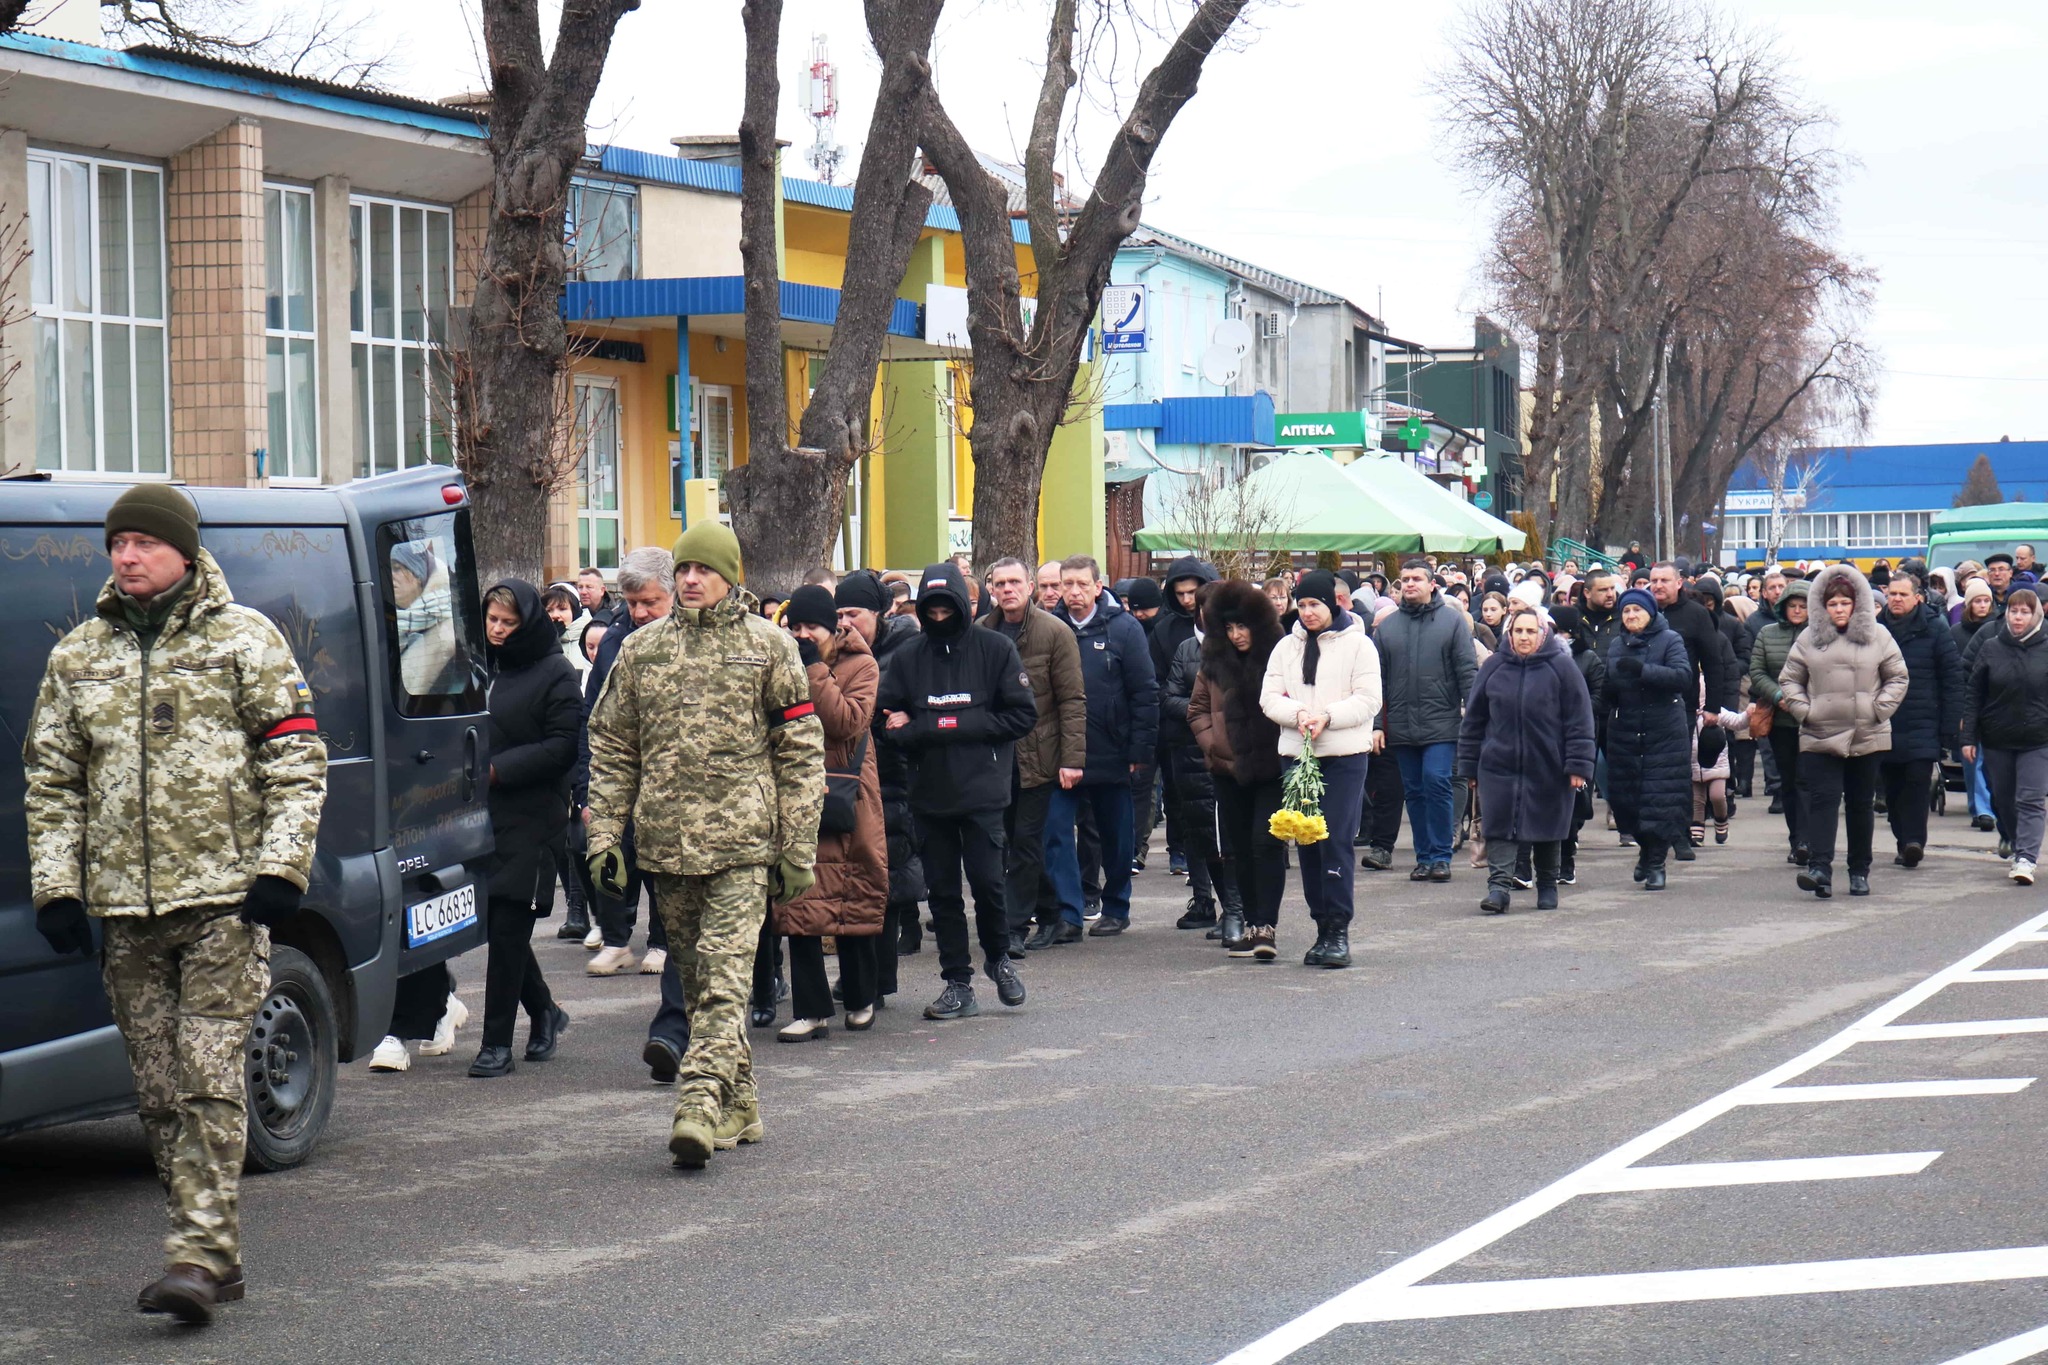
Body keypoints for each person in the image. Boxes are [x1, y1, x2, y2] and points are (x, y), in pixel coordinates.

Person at [23, 484, 328, 1323]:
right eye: (116, 542)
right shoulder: (78, 655)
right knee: (157, 1093)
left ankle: (195, 1255)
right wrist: (58, 884)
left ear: (183, 551)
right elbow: (52, 781)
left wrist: (280, 869)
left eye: (143, 543)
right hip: (125, 912)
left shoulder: (245, 641)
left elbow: (297, 763)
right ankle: (212, 1249)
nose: (126, 556)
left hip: (225, 904)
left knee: (208, 1077)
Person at [586, 521, 825, 1167]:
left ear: (731, 576)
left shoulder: (769, 647)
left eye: (704, 569)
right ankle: (741, 1101)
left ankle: (696, 1103)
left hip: (744, 845)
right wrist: (606, 833)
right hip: (666, 845)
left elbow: (801, 753)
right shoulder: (641, 650)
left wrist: (797, 845)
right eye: (684, 569)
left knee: (724, 982)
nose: (691, 579)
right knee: (696, 985)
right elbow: (611, 746)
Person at [877, 562, 1037, 1019]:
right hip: (929, 794)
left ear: (966, 606)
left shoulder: (995, 648)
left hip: (985, 792)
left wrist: (942, 723)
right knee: (943, 893)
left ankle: (1000, 959)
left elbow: (1022, 715)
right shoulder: (909, 657)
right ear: (922, 608)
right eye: (933, 608)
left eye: (950, 607)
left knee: (988, 884)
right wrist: (915, 731)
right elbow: (885, 721)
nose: (941, 615)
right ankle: (956, 981)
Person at [468, 580, 579, 1077]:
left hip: (532, 815)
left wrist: (498, 769)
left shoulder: (555, 671)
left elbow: (562, 746)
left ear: (527, 623)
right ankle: (546, 1012)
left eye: (507, 623)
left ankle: (495, 1044)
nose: (496, 629)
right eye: (491, 619)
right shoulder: (477, 665)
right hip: (477, 815)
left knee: (509, 926)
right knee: (499, 926)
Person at [773, 585, 886, 1041]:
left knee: (850, 896)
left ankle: (860, 998)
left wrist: (815, 668)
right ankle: (811, 1010)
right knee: (798, 902)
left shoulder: (862, 664)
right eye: (795, 627)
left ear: (833, 627)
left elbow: (845, 722)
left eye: (811, 628)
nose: (802, 635)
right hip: (797, 794)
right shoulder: (779, 662)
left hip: (848, 796)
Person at [1259, 569, 1381, 966]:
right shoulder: (1285, 648)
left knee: (1335, 840)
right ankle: (1320, 927)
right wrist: (1297, 714)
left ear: (1333, 603)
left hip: (1344, 756)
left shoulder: (1359, 646)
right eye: (1303, 605)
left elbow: (1368, 699)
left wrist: (1328, 715)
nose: (1308, 612)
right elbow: (1269, 697)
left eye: (1315, 604)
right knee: (1307, 842)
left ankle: (1338, 929)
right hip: (1297, 755)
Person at [1777, 565, 1908, 899]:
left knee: (1861, 804)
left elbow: (1897, 677)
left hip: (1867, 732)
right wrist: (1806, 711)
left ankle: (1859, 870)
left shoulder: (1879, 636)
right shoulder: (1809, 638)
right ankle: (1820, 868)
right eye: (1832, 604)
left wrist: (1878, 709)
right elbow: (1790, 679)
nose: (1838, 609)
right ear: (1822, 606)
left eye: (1844, 603)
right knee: (1822, 801)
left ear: (1857, 605)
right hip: (1820, 732)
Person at [1045, 555, 1159, 938]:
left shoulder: (1124, 629)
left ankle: (1116, 905)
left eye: (1081, 584)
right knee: (1057, 832)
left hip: (1112, 749)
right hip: (1060, 753)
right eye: (1067, 584)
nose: (1073, 592)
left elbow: (1144, 693)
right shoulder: (1050, 627)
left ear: (1098, 587)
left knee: (1116, 835)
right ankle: (1069, 913)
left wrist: (1139, 751)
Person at [979, 558, 1086, 955]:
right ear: (991, 588)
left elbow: (1073, 700)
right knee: (1009, 842)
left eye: (1014, 582)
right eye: (1000, 583)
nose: (1008, 589)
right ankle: (1051, 910)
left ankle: (1013, 928)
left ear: (1030, 587)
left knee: (1026, 841)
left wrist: (1072, 759)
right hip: (995, 758)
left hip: (1042, 756)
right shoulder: (981, 633)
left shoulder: (1055, 633)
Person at [1456, 608, 1595, 913]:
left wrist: (1578, 765)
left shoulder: (1562, 668)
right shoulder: (1493, 667)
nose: (1524, 637)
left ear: (1542, 634)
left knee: (1547, 826)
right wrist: (1469, 765)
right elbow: (1474, 721)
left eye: (1531, 631)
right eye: (1518, 631)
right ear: (1509, 633)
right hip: (1498, 764)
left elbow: (1579, 720)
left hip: (1549, 765)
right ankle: (1498, 889)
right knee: (1499, 826)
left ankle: (1547, 884)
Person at [582, 548, 679, 975]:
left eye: (649, 602)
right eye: (631, 602)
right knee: (611, 854)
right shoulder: (615, 641)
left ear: (673, 595)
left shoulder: (687, 641)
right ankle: (616, 938)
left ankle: (661, 940)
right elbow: (592, 715)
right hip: (619, 772)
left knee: (662, 861)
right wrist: (581, 783)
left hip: (670, 775)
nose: (639, 612)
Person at [834, 571, 925, 995]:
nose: (846, 622)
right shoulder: (834, 652)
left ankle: (878, 978)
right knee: (849, 877)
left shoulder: (905, 650)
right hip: (846, 776)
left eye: (854, 613)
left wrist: (896, 722)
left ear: (880, 611)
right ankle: (859, 977)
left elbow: (910, 708)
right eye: (839, 614)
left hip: (893, 775)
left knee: (883, 878)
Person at [1193, 580, 1287, 953]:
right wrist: (1214, 744)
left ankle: (1267, 925)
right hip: (1227, 770)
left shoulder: (1280, 658)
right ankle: (1251, 923)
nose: (1236, 635)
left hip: (1273, 767)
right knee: (1238, 850)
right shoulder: (1214, 664)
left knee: (1266, 844)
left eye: (1242, 626)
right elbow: (1197, 709)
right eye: (1229, 628)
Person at [1372, 557, 1476, 882]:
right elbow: (1376, 683)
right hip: (1401, 726)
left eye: (1417, 578)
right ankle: (1424, 857)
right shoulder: (1387, 627)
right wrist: (1377, 724)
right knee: (1414, 791)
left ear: (1432, 583)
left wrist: (1474, 720)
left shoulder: (1452, 621)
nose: (1410, 583)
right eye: (1405, 579)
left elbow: (1467, 672)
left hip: (1442, 723)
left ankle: (1442, 855)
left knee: (1437, 781)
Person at [1601, 587, 1693, 890]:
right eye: (1626, 611)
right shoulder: (1616, 644)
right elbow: (1609, 685)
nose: (1631, 616)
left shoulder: (1670, 640)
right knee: (1628, 802)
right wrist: (1607, 694)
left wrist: (1644, 671)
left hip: (1663, 731)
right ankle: (1644, 850)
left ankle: (1656, 863)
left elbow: (1682, 677)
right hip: (1626, 731)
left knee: (1659, 800)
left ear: (1651, 613)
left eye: (1637, 610)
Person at [1880, 572, 1965, 868]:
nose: (1896, 600)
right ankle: (1903, 841)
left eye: (1903, 594)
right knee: (1892, 790)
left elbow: (1952, 679)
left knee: (1916, 784)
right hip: (1884, 723)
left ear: (1917, 597)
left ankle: (1915, 842)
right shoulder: (1876, 629)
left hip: (1923, 721)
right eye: (1892, 594)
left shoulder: (1935, 628)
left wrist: (1950, 726)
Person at [1963, 588, 2048, 884]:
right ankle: (2015, 842)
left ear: (2036, 614)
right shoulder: (1990, 647)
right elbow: (1974, 694)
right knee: (2003, 799)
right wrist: (1968, 737)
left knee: (2031, 799)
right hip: (1997, 737)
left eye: (2025, 611)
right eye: (2013, 611)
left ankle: (2026, 857)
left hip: (2038, 738)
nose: (2018, 617)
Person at [1151, 557, 1219, 882]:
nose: (1187, 600)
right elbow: (1160, 687)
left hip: (1221, 740)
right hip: (1180, 735)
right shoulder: (1165, 631)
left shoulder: (1226, 628)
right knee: (1181, 806)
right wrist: (1197, 712)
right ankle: (1192, 873)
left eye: (1193, 592)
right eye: (1180, 593)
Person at [1750, 579, 1813, 865]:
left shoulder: (1821, 635)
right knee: (1789, 783)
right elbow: (1757, 671)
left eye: (1803, 606)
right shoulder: (1767, 633)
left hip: (1814, 721)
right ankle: (1796, 840)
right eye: (1792, 606)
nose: (1797, 611)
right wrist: (1778, 696)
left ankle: (1811, 839)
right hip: (1781, 721)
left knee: (1808, 781)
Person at [1952, 577, 2000, 830]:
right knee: (1974, 758)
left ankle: (1989, 806)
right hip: (1971, 702)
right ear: (1968, 604)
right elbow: (1959, 672)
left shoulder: (1999, 629)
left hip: (1996, 704)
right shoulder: (1956, 633)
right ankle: (1981, 809)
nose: (1982, 606)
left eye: (1986, 601)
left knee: (1992, 759)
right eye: (1977, 601)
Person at [391, 539, 459, 695]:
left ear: (417, 576)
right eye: (390, 569)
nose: (391, 576)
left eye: (397, 569)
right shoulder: (388, 618)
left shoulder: (445, 632)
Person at [545, 581, 592, 677]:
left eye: (562, 609)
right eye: (549, 610)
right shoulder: (539, 642)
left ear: (575, 611)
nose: (555, 615)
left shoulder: (590, 638)